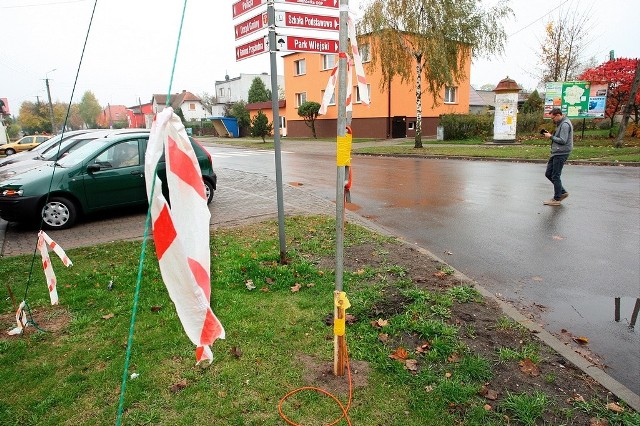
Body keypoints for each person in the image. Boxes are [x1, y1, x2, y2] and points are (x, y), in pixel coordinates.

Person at [541, 108, 573, 206]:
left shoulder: (564, 125)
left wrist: (550, 136)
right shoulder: (561, 123)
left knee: (555, 175)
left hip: (561, 153)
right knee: (548, 173)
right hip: (556, 152)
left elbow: (563, 140)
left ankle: (557, 199)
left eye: (553, 118)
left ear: (558, 115)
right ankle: (562, 192)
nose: (552, 120)